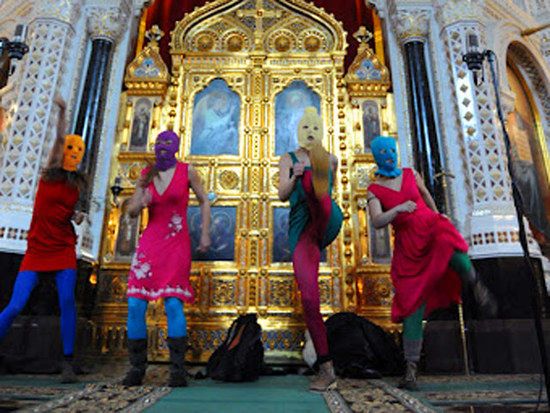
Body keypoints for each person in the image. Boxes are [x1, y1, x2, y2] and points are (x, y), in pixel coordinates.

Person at [366, 135, 497, 390]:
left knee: (447, 240)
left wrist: (438, 217)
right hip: (407, 244)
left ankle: (474, 282)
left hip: (428, 225)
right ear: (376, 156)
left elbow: (426, 195)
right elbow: (377, 221)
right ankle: (411, 369)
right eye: (383, 152)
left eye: (392, 150)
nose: (390, 155)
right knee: (411, 302)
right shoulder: (374, 189)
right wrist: (397, 210)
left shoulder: (410, 174)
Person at [0, 97, 87, 383]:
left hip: (63, 247)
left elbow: (69, 212)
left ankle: (67, 361)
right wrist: (62, 112)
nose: (71, 153)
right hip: (37, 248)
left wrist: (77, 216)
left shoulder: (76, 185)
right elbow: (60, 139)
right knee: (16, 304)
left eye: (77, 150)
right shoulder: (49, 175)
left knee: (67, 300)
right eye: (69, 149)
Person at [123, 130, 211, 387]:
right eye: (159, 142)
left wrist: (205, 233)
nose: (162, 147)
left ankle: (177, 370)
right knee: (135, 304)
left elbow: (204, 201)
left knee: (173, 304)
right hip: (150, 243)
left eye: (168, 143)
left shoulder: (187, 171)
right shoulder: (146, 174)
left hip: (176, 243)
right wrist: (140, 201)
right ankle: (136, 368)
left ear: (177, 146)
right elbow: (131, 211)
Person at [278, 107, 343, 392]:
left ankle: (312, 184)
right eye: (306, 127)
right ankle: (326, 367)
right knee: (309, 297)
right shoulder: (287, 159)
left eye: (315, 127)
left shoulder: (331, 159)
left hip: (325, 219)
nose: (310, 132)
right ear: (299, 130)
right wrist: (294, 176)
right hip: (302, 227)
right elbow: (282, 194)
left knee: (322, 198)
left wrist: (320, 171)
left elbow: (333, 192)